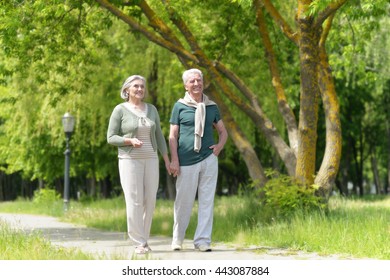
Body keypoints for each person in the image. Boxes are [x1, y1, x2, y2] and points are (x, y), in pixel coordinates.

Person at [107, 75, 170, 254]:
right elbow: (111, 137)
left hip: (151, 159)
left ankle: (144, 238)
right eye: (136, 86)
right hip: (129, 161)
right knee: (134, 201)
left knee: (150, 200)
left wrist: (167, 159)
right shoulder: (120, 110)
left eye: (142, 86)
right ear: (127, 90)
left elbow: (159, 136)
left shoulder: (151, 110)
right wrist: (129, 141)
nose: (140, 89)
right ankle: (138, 241)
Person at [169, 68, 228, 252]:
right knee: (183, 202)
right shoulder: (179, 106)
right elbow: (173, 135)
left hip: (208, 159)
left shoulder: (212, 106)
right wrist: (174, 160)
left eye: (199, 80)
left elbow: (223, 131)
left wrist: (218, 147)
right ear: (186, 85)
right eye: (192, 81)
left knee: (206, 201)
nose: (196, 84)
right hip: (186, 160)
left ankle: (202, 241)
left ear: (202, 82)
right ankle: (177, 239)